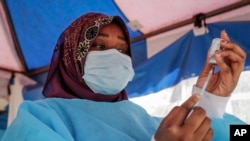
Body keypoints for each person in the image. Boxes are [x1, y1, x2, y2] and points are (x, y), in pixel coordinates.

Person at [1, 12, 246, 141]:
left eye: (122, 50)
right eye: (98, 47)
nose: (114, 57)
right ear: (70, 58)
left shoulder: (143, 119)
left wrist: (213, 103)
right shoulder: (39, 119)